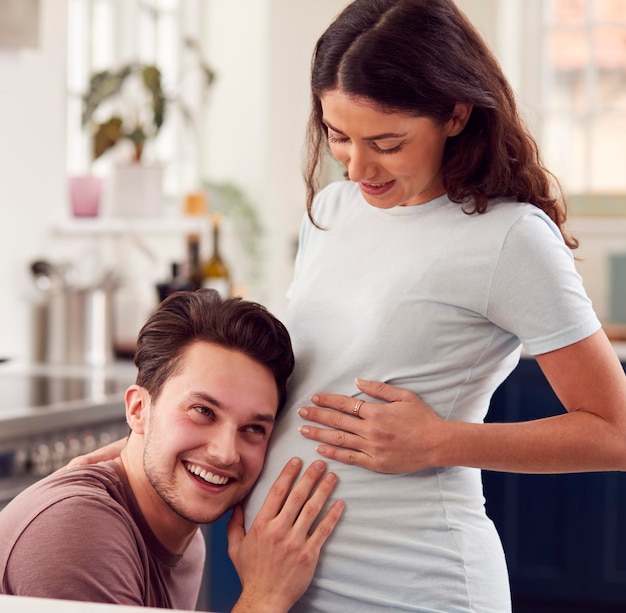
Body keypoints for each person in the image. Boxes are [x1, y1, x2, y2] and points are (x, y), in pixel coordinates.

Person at [65, 1, 626, 611]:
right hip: (285, 580)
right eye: (339, 136)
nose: (358, 166)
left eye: (387, 142)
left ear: (457, 114)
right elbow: (304, 382)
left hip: (417, 581)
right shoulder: (333, 211)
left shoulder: (509, 237)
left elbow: (615, 433)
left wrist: (439, 442)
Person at [0, 289, 344, 612]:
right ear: (138, 410)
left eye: (253, 429)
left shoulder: (189, 543)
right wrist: (264, 597)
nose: (226, 453)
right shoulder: (76, 529)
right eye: (203, 411)